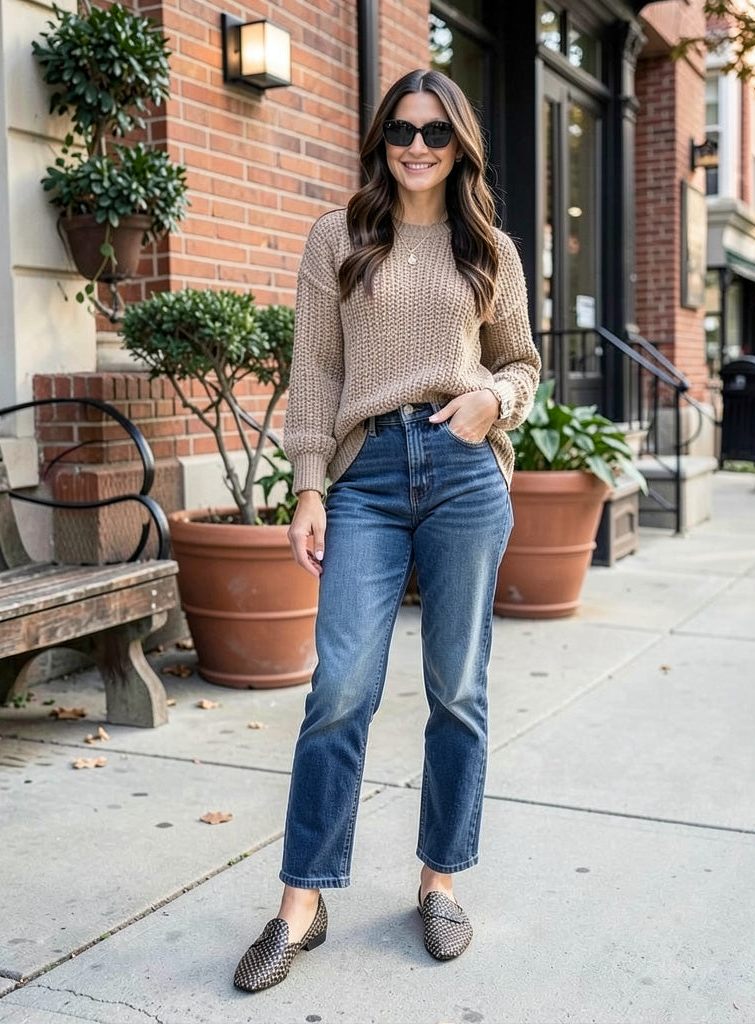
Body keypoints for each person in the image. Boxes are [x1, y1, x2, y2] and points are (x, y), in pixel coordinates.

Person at [233, 68, 540, 993]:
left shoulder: (490, 247)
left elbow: (522, 362)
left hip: (461, 469)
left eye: (435, 133)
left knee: (457, 688)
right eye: (402, 130)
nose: (416, 146)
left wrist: (492, 400)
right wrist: (309, 485)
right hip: (365, 477)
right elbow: (316, 371)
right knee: (341, 686)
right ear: (381, 139)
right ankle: (303, 900)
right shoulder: (338, 237)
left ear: (460, 146)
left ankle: (439, 880)